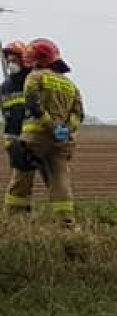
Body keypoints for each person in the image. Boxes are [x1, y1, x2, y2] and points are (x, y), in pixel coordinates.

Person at [15, 39, 83, 224]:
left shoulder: (35, 76)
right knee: (60, 180)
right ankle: (66, 223)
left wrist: (50, 126)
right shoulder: (70, 85)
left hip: (35, 138)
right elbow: (78, 114)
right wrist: (65, 130)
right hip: (62, 142)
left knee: (22, 178)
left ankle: (14, 220)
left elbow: (32, 103)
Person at [2, 40, 34, 212]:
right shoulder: (5, 87)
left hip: (35, 137)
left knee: (53, 178)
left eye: (14, 59)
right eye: (9, 60)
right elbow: (7, 115)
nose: (10, 63)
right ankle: (17, 213)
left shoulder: (32, 80)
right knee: (21, 179)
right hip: (16, 140)